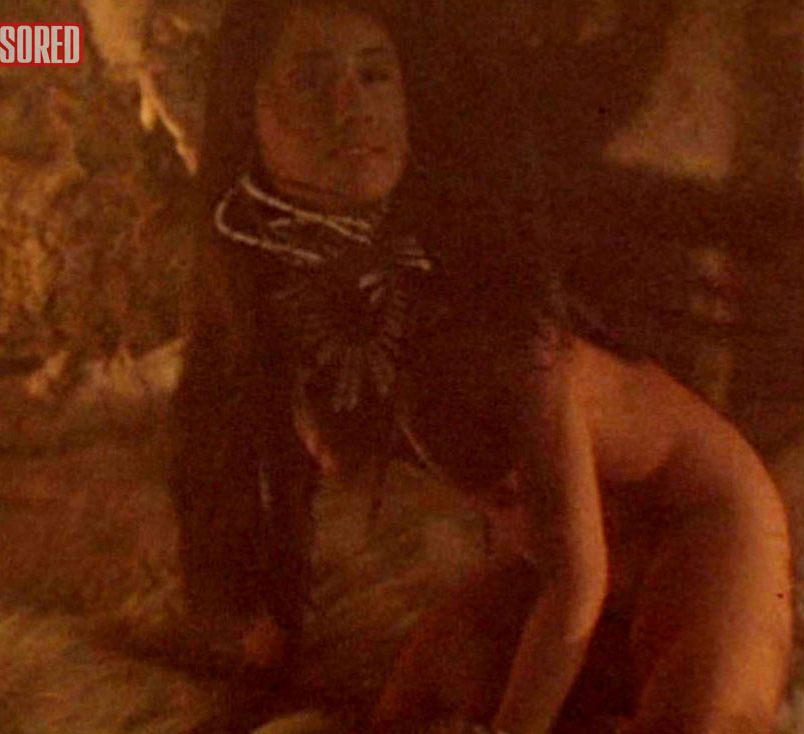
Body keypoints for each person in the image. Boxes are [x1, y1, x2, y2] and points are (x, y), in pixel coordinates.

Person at [168, 0, 794, 732]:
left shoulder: (492, 308)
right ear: (247, 117)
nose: (351, 105)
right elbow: (275, 477)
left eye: (375, 75)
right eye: (310, 80)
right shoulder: (280, 308)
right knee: (403, 718)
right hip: (546, 564)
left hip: (694, 530)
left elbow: (576, 580)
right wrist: (261, 662)